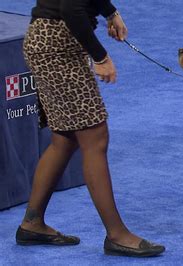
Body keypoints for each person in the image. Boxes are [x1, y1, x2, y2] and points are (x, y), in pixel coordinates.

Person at [17, 0, 165, 257]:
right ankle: (117, 235)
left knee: (65, 138)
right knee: (95, 137)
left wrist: (110, 12)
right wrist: (101, 57)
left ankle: (32, 223)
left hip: (48, 39)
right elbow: (71, 9)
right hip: (58, 44)